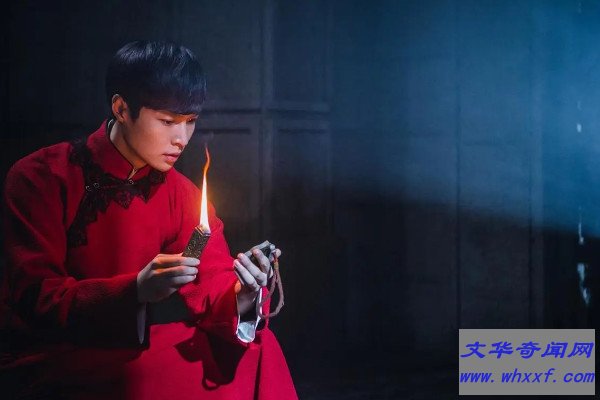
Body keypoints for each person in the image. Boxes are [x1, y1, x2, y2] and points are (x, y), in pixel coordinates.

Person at [0, 41, 297, 399]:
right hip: (50, 355)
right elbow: (36, 296)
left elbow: (213, 281)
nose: (181, 139)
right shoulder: (40, 176)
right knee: (135, 378)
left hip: (125, 353)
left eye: (190, 122)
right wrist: (135, 290)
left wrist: (243, 292)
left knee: (258, 349)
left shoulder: (181, 194)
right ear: (121, 108)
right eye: (167, 121)